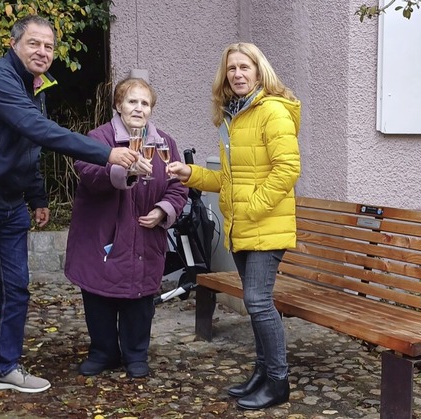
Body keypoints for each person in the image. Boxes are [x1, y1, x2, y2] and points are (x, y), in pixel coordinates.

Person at [0, 15, 138, 417]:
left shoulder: (34, 85)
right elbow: (37, 128)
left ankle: (4, 367)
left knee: (17, 288)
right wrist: (106, 152)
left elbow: (27, 143)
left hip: (9, 204)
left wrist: (37, 195)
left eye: (48, 46)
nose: (42, 52)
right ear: (14, 45)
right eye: (34, 43)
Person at [167, 42, 301, 410]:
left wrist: (253, 207)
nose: (238, 74)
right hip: (244, 226)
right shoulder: (235, 116)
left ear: (260, 72)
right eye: (232, 69)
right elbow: (228, 180)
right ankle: (262, 373)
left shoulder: (272, 111)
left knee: (258, 302)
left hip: (263, 225)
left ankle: (278, 381)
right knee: (255, 302)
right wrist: (189, 174)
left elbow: (287, 170)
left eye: (245, 67)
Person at [64, 77, 189, 379]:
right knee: (99, 296)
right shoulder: (99, 137)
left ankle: (136, 354)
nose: (138, 108)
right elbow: (89, 173)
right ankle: (103, 352)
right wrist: (123, 171)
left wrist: (163, 211)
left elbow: (178, 187)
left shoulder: (165, 144)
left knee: (140, 298)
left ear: (151, 110)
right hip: (103, 234)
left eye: (145, 103)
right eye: (132, 101)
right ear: (119, 105)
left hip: (146, 237)